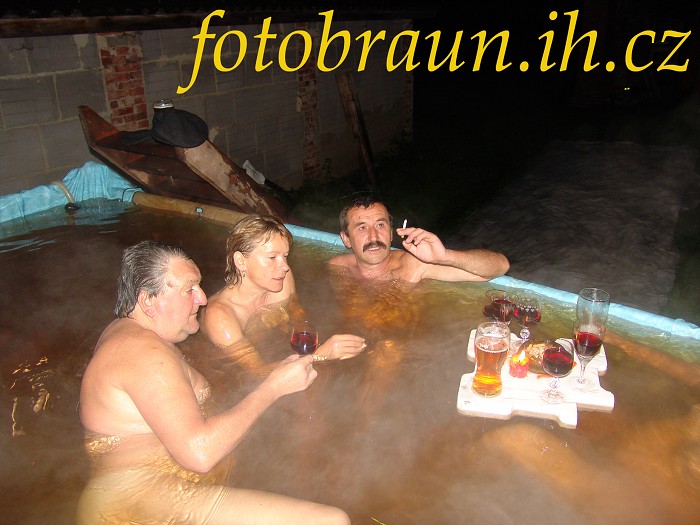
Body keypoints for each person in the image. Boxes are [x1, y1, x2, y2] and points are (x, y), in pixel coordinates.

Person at [78, 240, 350, 525]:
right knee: (331, 521)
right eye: (189, 290)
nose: (203, 298)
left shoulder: (130, 334)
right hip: (136, 501)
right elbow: (200, 452)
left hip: (153, 491)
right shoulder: (143, 353)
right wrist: (273, 388)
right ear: (148, 300)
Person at [199, 214, 366, 359]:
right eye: (272, 257)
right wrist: (321, 355)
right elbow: (257, 373)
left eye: (285, 256)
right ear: (241, 261)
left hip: (270, 350)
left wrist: (306, 337)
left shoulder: (281, 279)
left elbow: (296, 313)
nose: (285, 266)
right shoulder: (220, 317)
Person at [328, 195, 510, 282]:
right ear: (346, 239)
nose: (373, 236)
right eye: (362, 228)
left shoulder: (414, 264)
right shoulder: (336, 267)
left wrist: (445, 256)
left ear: (391, 234)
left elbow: (501, 266)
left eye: (380, 225)